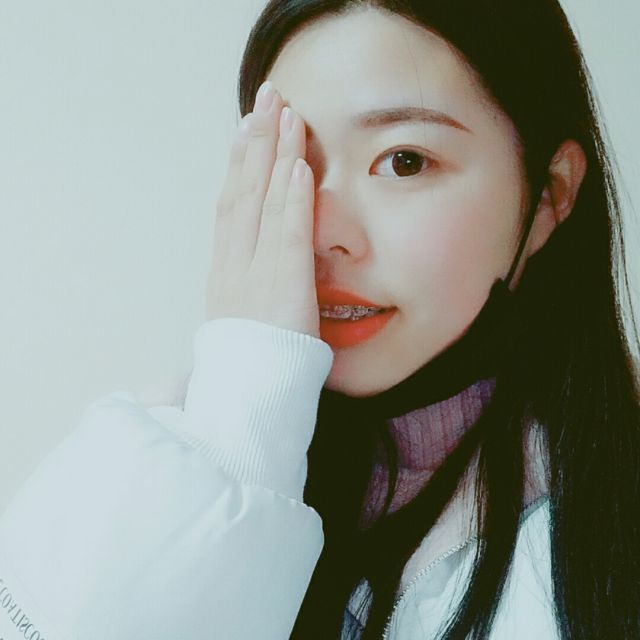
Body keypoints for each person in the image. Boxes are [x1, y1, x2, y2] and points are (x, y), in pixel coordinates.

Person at [1, 1, 638, 639]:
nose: (321, 233)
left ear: (551, 193)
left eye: (404, 161)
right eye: (292, 163)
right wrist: (240, 429)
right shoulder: (158, 455)